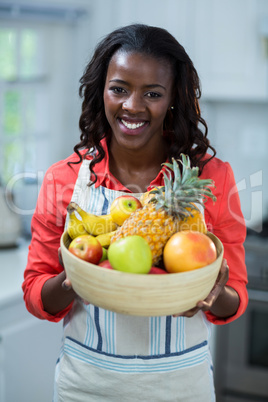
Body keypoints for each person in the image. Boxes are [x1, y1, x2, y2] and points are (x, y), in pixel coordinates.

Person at [22, 24, 248, 401]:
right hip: (85, 386)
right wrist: (75, 278)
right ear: (102, 91)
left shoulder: (212, 177)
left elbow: (234, 296)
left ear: (173, 97)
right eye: (119, 89)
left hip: (181, 387)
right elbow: (35, 292)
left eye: (153, 93)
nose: (132, 106)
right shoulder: (63, 179)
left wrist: (215, 293)